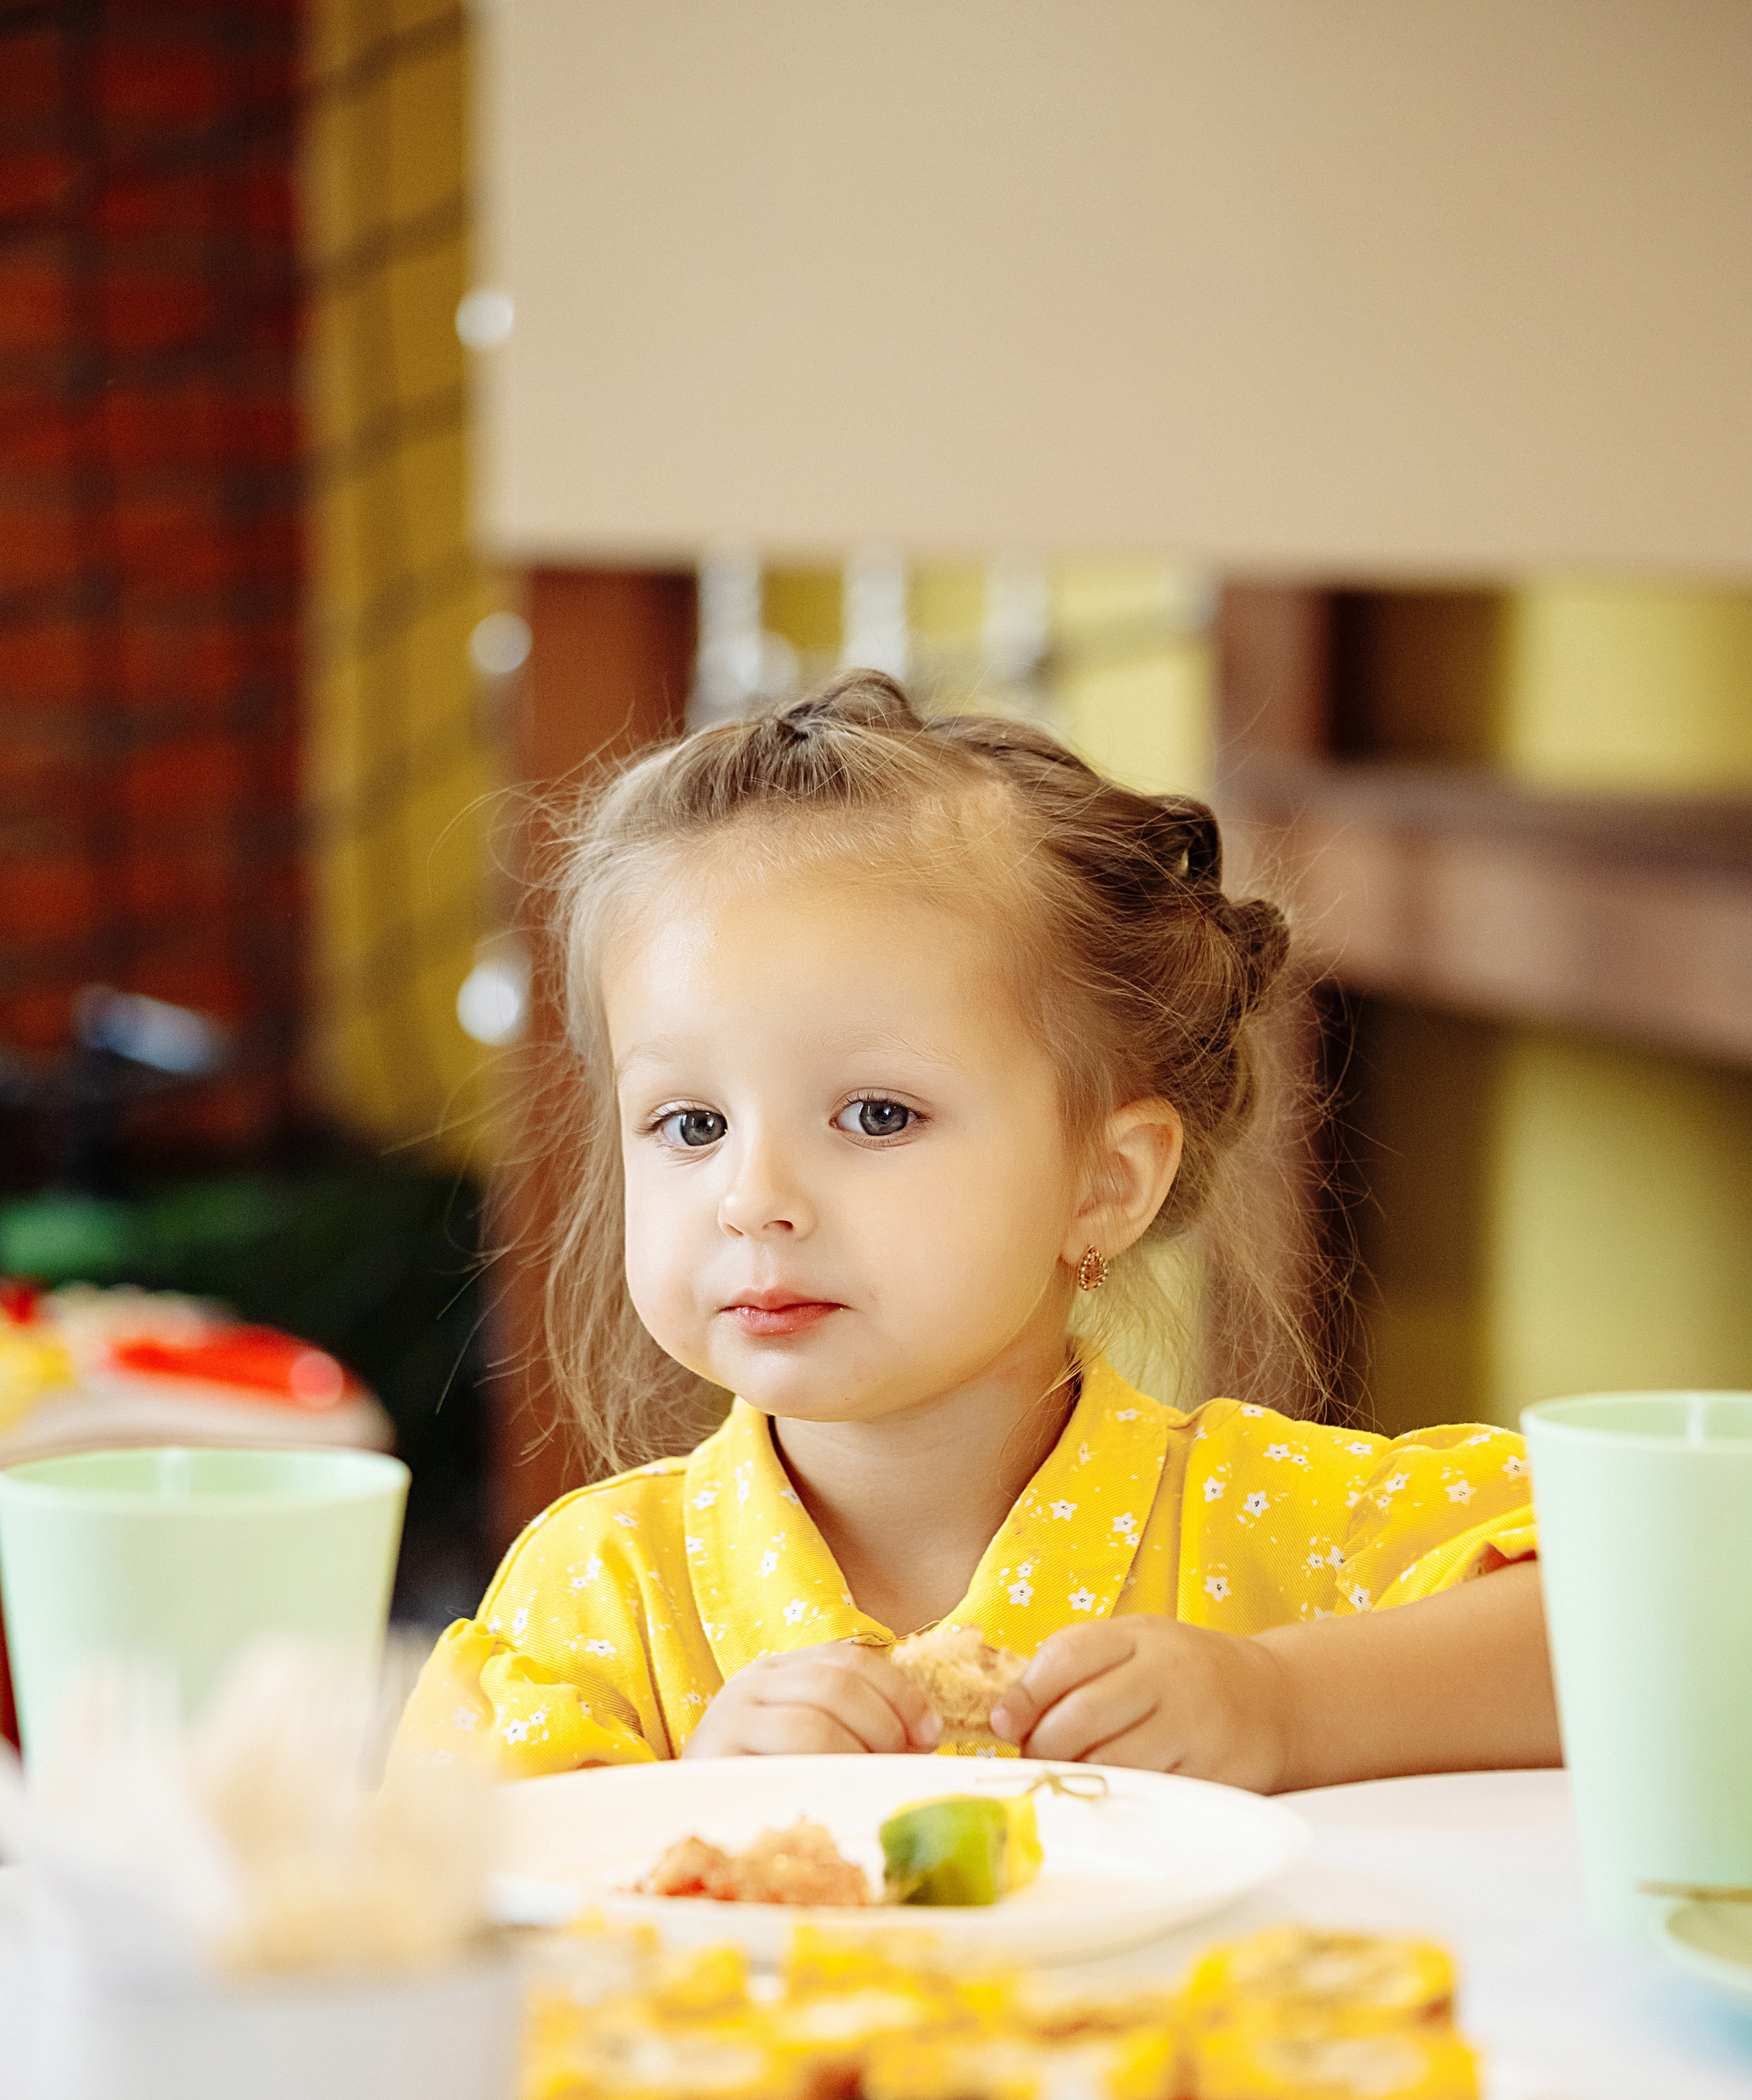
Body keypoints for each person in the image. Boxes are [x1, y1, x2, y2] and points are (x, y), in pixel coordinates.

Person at [401, 673, 1559, 1787]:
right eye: (690, 1123)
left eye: (876, 1115)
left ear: (1103, 1184)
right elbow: (443, 1913)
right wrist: (688, 1801)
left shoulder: (1271, 1528)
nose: (752, 1196)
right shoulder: (603, 1594)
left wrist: (1287, 1706)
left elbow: (1656, 1618)